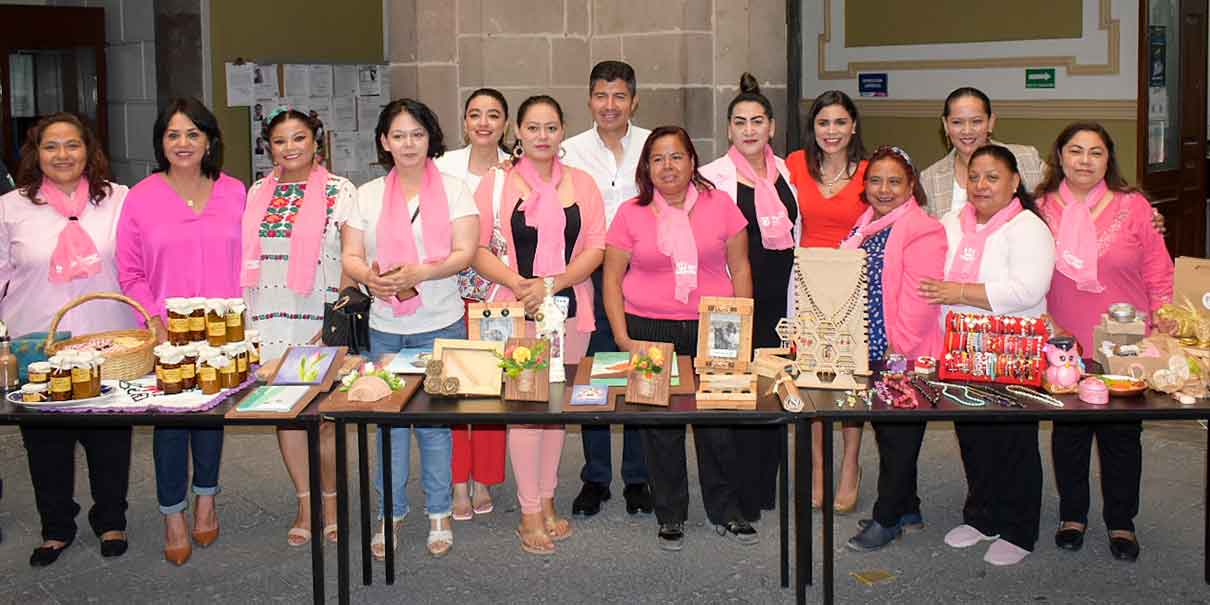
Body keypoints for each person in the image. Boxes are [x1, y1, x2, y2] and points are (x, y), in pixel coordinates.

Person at [604, 126, 755, 550]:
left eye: (676, 157)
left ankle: (726, 510)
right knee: (659, 427)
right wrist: (621, 335)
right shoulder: (631, 213)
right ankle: (669, 514)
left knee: (719, 424)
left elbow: (741, 268)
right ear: (646, 167)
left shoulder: (721, 205)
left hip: (715, 327)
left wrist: (740, 323)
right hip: (648, 329)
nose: (667, 166)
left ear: (692, 162)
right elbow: (612, 280)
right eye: (657, 159)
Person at [340, 98, 479, 559]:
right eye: (398, 135)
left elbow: (465, 253)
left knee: (436, 427)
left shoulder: (456, 189)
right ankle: (390, 514)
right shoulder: (368, 194)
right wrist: (369, 277)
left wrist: (420, 273)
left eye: (416, 134)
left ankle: (439, 511)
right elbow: (352, 256)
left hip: (442, 323)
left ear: (430, 138)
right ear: (384, 141)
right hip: (384, 328)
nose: (408, 143)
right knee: (389, 428)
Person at [471, 95, 605, 554]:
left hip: (571, 309)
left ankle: (547, 499)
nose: (542, 136)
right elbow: (476, 248)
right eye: (533, 128)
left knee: (555, 414)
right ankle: (529, 510)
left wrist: (554, 283)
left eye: (550, 127)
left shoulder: (583, 184)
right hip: (516, 309)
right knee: (527, 413)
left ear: (563, 130)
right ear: (519, 132)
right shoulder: (497, 183)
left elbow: (595, 246)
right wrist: (521, 284)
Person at [2, 113, 137, 566]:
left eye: (72, 145)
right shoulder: (11, 207)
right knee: (46, 443)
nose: (62, 155)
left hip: (110, 340)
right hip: (38, 344)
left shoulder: (120, 200)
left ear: (89, 149)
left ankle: (112, 518)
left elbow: (141, 262)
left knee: (110, 440)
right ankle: (56, 526)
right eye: (51, 146)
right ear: (35, 154)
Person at [117, 97, 246, 566]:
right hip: (167, 331)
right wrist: (154, 321)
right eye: (173, 134)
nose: (183, 143)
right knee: (170, 424)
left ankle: (206, 499)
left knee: (210, 417)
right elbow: (129, 270)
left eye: (193, 133)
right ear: (161, 143)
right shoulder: (142, 196)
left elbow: (248, 259)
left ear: (209, 140)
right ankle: (173, 514)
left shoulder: (235, 191)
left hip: (223, 333)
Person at [1037, 123, 1173, 562]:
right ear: (1059, 157)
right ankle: (1072, 515)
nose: (1084, 161)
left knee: (1122, 435)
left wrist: (1164, 321)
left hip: (1125, 341)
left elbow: (1158, 269)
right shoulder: (1039, 208)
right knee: (1069, 433)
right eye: (1075, 151)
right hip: (1063, 337)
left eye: (1095, 153)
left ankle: (1121, 521)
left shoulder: (1134, 207)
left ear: (1108, 159)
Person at [919, 144, 1056, 566]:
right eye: (974, 177)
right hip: (959, 350)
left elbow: (1027, 290)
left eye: (992, 177)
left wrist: (958, 293)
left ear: (1015, 182)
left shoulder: (1028, 227)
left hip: (1011, 351)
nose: (981, 185)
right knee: (974, 437)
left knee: (1013, 440)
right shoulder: (951, 223)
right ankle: (982, 517)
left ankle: (1019, 528)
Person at [242, 108, 357, 547]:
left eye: (299, 138)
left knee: (324, 418)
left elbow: (352, 257)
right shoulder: (256, 192)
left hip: (318, 316)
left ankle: (331, 501)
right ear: (268, 146)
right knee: (287, 415)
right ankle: (306, 503)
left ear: (316, 142)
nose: (290, 147)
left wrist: (336, 321)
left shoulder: (338, 190)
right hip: (269, 318)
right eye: (280, 140)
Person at [837, 146, 947, 551]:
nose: (884, 190)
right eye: (876, 181)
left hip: (904, 350)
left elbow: (920, 303)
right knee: (888, 431)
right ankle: (908, 508)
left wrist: (896, 356)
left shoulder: (923, 229)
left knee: (899, 434)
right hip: (872, 345)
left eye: (895, 181)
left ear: (911, 186)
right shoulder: (865, 224)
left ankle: (887, 518)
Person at [699, 73, 799, 520]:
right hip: (734, 300)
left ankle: (764, 484)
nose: (749, 130)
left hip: (781, 300)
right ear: (728, 130)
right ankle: (736, 490)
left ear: (771, 127)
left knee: (775, 388)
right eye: (740, 122)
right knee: (736, 391)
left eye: (758, 121)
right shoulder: (711, 179)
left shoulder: (789, 173)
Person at [562, 60, 652, 517]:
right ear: (590, 99)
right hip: (591, 275)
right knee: (594, 371)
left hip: (645, 273)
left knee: (639, 368)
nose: (609, 105)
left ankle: (638, 476)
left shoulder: (654, 146)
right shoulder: (569, 151)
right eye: (601, 95)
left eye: (619, 96)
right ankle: (596, 477)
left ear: (633, 100)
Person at [785, 89, 868, 511]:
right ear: (812, 128)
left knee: (851, 379)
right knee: (812, 379)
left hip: (855, 285)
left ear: (853, 126)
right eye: (823, 123)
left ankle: (850, 463)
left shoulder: (872, 172)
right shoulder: (795, 165)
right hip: (807, 285)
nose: (831, 131)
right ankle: (818, 467)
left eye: (839, 122)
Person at [435, 88, 512, 521]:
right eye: (475, 114)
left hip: (498, 293)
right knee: (452, 390)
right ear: (464, 122)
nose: (483, 122)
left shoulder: (514, 171)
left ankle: (482, 476)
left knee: (489, 392)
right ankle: (455, 479)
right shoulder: (443, 167)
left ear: (505, 124)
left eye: (493, 115)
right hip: (448, 291)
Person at [919, 87, 1045, 219]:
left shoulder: (1026, 159)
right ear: (945, 125)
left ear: (990, 122)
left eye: (976, 121)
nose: (967, 131)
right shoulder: (930, 178)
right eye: (957, 122)